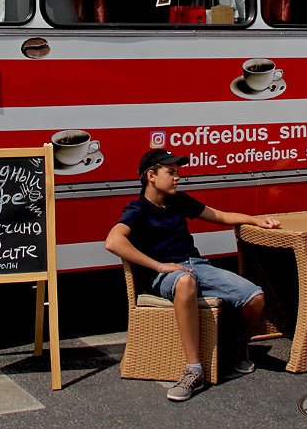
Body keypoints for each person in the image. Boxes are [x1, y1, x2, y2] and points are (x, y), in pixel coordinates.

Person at [105, 148, 280, 402]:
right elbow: (113, 241)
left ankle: (234, 347)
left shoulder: (179, 200)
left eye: (178, 172)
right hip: (166, 276)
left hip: (197, 266)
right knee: (185, 281)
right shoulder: (137, 210)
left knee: (254, 297)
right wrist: (159, 266)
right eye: (171, 172)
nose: (177, 177)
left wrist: (255, 220)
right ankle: (193, 370)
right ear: (151, 175)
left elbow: (219, 216)